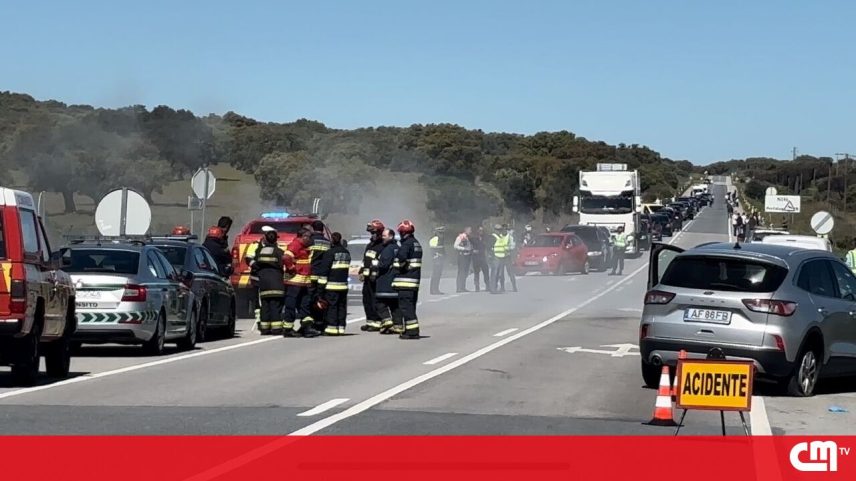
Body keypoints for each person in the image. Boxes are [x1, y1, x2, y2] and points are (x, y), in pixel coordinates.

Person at [245, 226, 285, 335]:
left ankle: (264, 327)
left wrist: (258, 268)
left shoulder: (260, 251)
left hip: (263, 281)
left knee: (265, 305)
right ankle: (275, 328)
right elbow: (283, 266)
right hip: (274, 282)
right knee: (274, 305)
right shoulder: (279, 251)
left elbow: (255, 260)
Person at [282, 229, 320, 338]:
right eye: (308, 236)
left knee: (305, 305)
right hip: (294, 282)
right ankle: (288, 329)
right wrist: (292, 268)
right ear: (302, 236)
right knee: (291, 305)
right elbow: (286, 257)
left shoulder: (305, 247)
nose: (310, 239)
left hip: (304, 282)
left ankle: (306, 328)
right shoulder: (295, 244)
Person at [393, 220, 422, 339]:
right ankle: (410, 330)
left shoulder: (406, 244)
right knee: (411, 307)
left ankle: (412, 332)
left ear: (403, 233)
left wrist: (396, 265)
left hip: (405, 281)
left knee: (406, 308)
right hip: (414, 281)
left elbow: (401, 258)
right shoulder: (416, 243)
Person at [317, 233, 350, 336]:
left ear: (331, 240)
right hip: (343, 286)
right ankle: (341, 328)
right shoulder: (346, 252)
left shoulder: (329, 253)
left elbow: (324, 272)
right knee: (342, 307)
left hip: (331, 286)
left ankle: (332, 328)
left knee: (332, 307)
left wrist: (320, 290)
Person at [374, 228, 402, 335]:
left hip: (385, 281)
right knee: (395, 305)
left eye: (384, 236)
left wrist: (375, 264)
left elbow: (383, 265)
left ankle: (387, 321)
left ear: (391, 236)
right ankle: (398, 326)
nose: (382, 237)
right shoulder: (397, 248)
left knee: (380, 303)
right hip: (395, 281)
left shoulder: (388, 249)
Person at [360, 220, 386, 332]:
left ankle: (377, 322)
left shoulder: (381, 246)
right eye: (371, 233)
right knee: (366, 299)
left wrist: (374, 275)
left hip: (375, 278)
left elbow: (379, 263)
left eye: (374, 233)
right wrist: (361, 271)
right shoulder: (370, 245)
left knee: (375, 300)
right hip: (367, 278)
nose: (372, 235)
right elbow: (365, 260)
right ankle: (370, 321)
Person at [308, 220, 331, 323]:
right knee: (321, 298)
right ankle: (321, 321)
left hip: (311, 274)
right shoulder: (327, 242)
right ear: (322, 230)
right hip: (323, 276)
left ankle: (311, 320)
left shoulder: (309, 241)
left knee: (310, 299)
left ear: (313, 229)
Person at [489, 223, 509, 294]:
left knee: (499, 273)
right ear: (495, 230)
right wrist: (491, 255)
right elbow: (490, 247)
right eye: (498, 230)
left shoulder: (501, 237)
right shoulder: (492, 237)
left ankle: (496, 287)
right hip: (495, 257)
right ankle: (493, 288)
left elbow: (504, 245)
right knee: (494, 273)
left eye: (500, 230)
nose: (499, 231)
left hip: (502, 256)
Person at [470, 225, 490, 292]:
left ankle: (487, 285)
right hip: (476, 257)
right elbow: (469, 244)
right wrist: (473, 251)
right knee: (476, 272)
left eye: (482, 230)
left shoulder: (485, 238)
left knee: (486, 271)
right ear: (477, 231)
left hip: (483, 257)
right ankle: (477, 286)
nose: (481, 232)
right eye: (480, 230)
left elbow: (487, 246)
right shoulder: (473, 238)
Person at [453, 227, 473, 292]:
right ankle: (459, 288)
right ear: (466, 230)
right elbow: (455, 246)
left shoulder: (468, 237)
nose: (471, 231)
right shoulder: (461, 237)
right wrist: (464, 249)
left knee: (465, 272)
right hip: (462, 256)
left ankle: (463, 287)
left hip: (467, 256)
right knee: (461, 272)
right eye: (469, 230)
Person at [428, 226, 446, 295]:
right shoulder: (435, 238)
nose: (442, 234)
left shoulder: (441, 239)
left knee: (438, 274)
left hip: (440, 258)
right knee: (435, 274)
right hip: (436, 258)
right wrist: (436, 256)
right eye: (440, 232)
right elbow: (432, 249)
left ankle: (436, 289)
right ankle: (433, 290)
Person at [502, 224, 518, 292]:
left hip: (507, 256)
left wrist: (508, 249)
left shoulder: (510, 237)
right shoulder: (501, 236)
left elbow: (513, 246)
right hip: (501, 256)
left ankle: (514, 287)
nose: (507, 231)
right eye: (506, 229)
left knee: (510, 272)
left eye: (508, 229)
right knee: (501, 273)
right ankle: (502, 287)